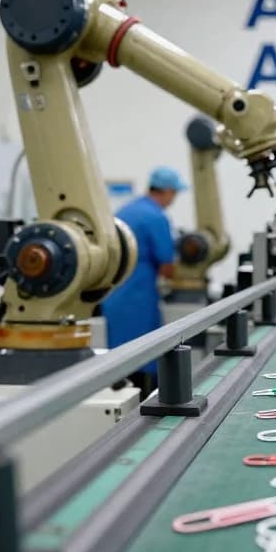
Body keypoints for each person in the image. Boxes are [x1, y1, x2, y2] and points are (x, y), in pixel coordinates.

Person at [102, 166, 187, 394]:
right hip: (138, 298)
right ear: (167, 191)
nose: (173, 199)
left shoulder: (126, 210)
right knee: (143, 356)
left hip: (114, 296)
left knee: (120, 359)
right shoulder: (156, 216)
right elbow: (166, 264)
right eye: (174, 194)